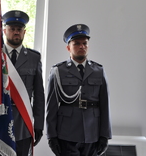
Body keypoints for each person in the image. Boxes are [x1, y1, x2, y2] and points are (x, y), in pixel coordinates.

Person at [46, 24, 112, 156]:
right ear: (68, 47)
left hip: (92, 132)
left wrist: (105, 135)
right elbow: (51, 106)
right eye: (77, 43)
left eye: (85, 43)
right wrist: (51, 136)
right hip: (66, 133)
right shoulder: (58, 71)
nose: (82, 46)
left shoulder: (98, 71)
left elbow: (105, 105)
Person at [0, 10, 45, 156]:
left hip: (23, 123)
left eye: (19, 29)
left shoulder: (34, 58)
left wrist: (38, 125)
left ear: (24, 32)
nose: (16, 32)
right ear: (4, 30)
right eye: (12, 29)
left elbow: (39, 95)